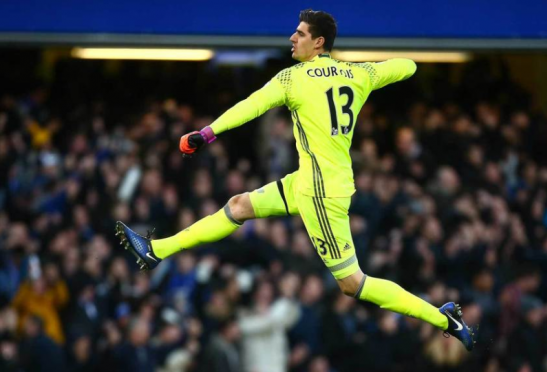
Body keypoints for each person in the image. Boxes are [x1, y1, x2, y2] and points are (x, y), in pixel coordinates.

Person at [116, 8, 475, 350]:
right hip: (314, 180)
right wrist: (365, 68)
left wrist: (206, 134)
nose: (292, 38)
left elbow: (251, 105)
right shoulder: (359, 74)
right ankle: (156, 250)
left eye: (300, 34)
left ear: (318, 42)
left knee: (352, 284)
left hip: (320, 195)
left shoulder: (294, 79)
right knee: (238, 206)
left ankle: (445, 320)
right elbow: (407, 66)